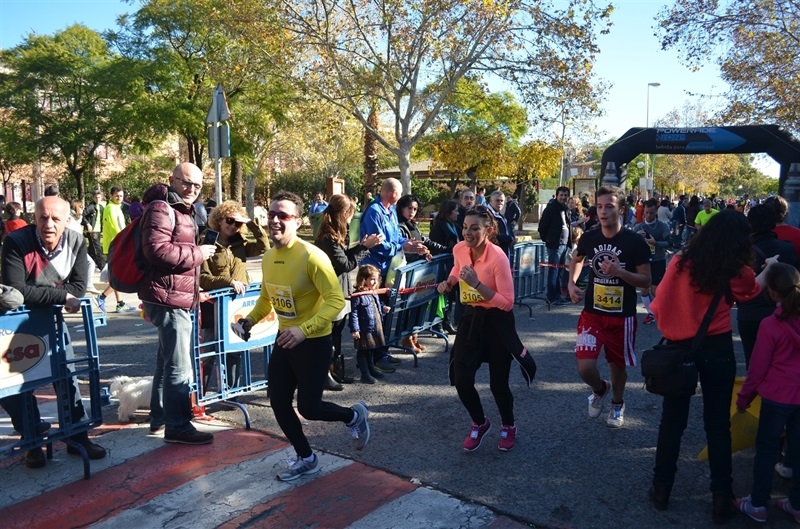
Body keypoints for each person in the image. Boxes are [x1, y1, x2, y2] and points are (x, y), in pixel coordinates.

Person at [236, 190, 370, 481]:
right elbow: (267, 299)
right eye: (271, 214)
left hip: (314, 341)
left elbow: (336, 300)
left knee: (309, 408)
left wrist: (304, 329)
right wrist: (249, 321)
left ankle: (353, 416)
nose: (275, 220)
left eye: (283, 215)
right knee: (278, 402)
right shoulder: (269, 257)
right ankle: (306, 458)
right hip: (285, 339)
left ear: (297, 221)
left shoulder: (312, 256)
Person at [648, 210, 770, 524]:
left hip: (679, 348)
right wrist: (768, 269)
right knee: (717, 424)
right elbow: (751, 291)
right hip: (717, 347)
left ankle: (661, 488)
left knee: (672, 421)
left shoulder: (680, 262)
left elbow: (660, 303)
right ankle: (721, 497)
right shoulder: (735, 270)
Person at [0, 196, 107, 468]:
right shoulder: (15, 242)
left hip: (51, 319)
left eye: (56, 219)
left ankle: (77, 436)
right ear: (34, 218)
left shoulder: (76, 241)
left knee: (67, 376)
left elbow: (79, 288)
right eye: (43, 217)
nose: (49, 224)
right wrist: (61, 296)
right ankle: (32, 439)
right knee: (17, 383)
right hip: (15, 321)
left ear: (67, 221)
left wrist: (50, 295)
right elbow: (16, 290)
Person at [139, 162, 217, 445]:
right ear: (171, 180)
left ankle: (160, 418)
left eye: (197, 185)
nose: (192, 189)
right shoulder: (161, 208)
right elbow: (157, 251)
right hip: (168, 297)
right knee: (179, 366)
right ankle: (178, 426)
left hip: (174, 295)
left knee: (167, 361)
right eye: (186, 182)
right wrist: (198, 253)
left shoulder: (184, 209)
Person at [436, 206, 523, 452]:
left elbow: (507, 303)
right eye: (465, 227)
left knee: (498, 385)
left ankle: (509, 425)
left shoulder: (498, 258)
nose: (468, 233)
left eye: (475, 228)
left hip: (497, 321)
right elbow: (458, 268)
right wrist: (450, 281)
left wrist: (477, 284)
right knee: (461, 379)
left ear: (488, 230)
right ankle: (480, 421)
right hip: (472, 317)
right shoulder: (459, 249)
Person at [567, 186, 651, 429]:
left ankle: (617, 403)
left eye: (609, 206)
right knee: (585, 368)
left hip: (621, 317)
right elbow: (577, 258)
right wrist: (572, 283)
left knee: (617, 365)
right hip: (592, 314)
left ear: (621, 210)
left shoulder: (634, 242)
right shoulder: (590, 237)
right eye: (600, 206)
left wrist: (619, 272)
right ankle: (600, 388)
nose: (603, 212)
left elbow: (646, 280)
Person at [734, 263, 800, 523]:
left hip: (776, 397)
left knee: (766, 451)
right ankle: (796, 504)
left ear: (771, 292)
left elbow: (757, 369)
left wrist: (744, 398)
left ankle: (758, 504)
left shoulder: (770, 325)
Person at [315, 194, 383, 389]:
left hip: (340, 289)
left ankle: (336, 372)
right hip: (329, 291)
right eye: (351, 214)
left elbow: (345, 257)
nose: (352, 218)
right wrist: (365, 247)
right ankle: (326, 374)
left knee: (337, 332)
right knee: (329, 334)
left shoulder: (336, 232)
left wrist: (362, 247)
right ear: (344, 213)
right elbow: (345, 265)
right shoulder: (327, 236)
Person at [199, 200, 269, 389]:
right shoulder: (208, 241)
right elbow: (202, 278)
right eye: (229, 220)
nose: (233, 226)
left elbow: (264, 247)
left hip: (236, 305)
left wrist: (250, 222)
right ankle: (201, 397)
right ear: (219, 219)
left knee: (234, 351)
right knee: (208, 352)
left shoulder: (240, 243)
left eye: (237, 223)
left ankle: (232, 393)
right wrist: (229, 282)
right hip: (214, 305)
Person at [359, 178, 425, 372]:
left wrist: (408, 243)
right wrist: (401, 246)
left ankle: (383, 352)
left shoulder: (390, 211)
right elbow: (377, 244)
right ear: (393, 193)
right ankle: (373, 358)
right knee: (374, 315)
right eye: (399, 193)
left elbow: (395, 236)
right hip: (374, 271)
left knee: (386, 312)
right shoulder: (374, 211)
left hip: (388, 270)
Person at [736, 204, 798, 368]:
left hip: (749, 313)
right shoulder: (788, 248)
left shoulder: (743, 251)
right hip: (782, 312)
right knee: (781, 363)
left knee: (753, 363)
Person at [397, 194, 448, 349]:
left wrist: (445, 249)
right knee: (409, 306)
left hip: (420, 272)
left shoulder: (413, 224)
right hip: (409, 272)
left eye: (415, 209)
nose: (412, 212)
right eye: (409, 208)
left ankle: (414, 336)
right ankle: (406, 337)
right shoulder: (400, 226)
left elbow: (426, 241)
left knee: (419, 305)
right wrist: (421, 255)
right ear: (401, 208)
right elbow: (404, 253)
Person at [350, 264, 391, 383]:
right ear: (363, 279)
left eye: (376, 279)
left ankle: (371, 369)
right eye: (372, 279)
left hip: (374, 325)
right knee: (363, 351)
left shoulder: (373, 292)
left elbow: (376, 304)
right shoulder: (358, 295)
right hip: (364, 328)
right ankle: (365, 374)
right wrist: (355, 329)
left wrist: (383, 308)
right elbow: (354, 314)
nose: (375, 282)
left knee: (371, 349)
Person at [632, 199, 671, 325]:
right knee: (644, 289)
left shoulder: (662, 226)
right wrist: (637, 238)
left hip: (658, 260)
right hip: (643, 261)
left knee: (655, 291)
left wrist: (656, 243)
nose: (648, 215)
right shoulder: (638, 227)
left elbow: (669, 243)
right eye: (646, 213)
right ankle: (651, 313)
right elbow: (631, 245)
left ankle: (664, 310)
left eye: (651, 213)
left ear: (656, 212)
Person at [97, 187, 135, 313]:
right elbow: (115, 228)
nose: (119, 198)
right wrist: (125, 242)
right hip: (115, 245)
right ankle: (102, 297)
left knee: (117, 275)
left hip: (117, 244)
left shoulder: (116, 208)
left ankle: (120, 303)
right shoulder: (110, 208)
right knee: (119, 276)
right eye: (117, 196)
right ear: (111, 196)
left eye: (121, 196)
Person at [539, 186, 571, 306]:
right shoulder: (551, 209)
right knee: (554, 271)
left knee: (560, 271)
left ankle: (558, 295)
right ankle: (552, 297)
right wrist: (548, 240)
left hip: (564, 244)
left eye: (565, 195)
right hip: (555, 245)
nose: (563, 197)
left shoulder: (565, 208)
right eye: (561, 195)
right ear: (556, 195)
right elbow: (542, 227)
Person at [488, 190, 515, 259]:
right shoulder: (487, 215)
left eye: (502, 201)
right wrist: (509, 239)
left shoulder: (499, 215)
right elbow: (492, 235)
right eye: (497, 201)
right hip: (494, 255)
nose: (500, 203)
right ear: (490, 201)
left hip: (503, 253)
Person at [83, 190, 105, 270]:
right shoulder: (91, 207)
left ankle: (89, 264)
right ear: (93, 198)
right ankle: (102, 266)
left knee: (92, 248)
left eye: (99, 197)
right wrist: (88, 224)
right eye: (96, 197)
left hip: (98, 230)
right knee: (97, 248)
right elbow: (83, 215)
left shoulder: (101, 207)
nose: (97, 199)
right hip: (93, 230)